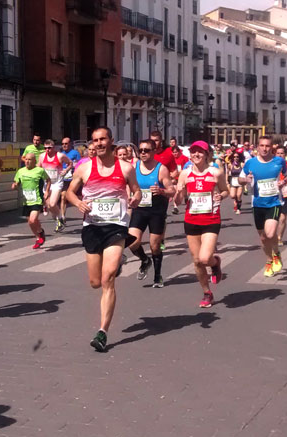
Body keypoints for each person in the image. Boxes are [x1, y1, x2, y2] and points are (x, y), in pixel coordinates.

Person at [65, 127, 141, 352]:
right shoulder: (84, 169)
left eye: (103, 139)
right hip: (92, 227)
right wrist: (77, 202)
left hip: (116, 226)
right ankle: (116, 263)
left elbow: (136, 191)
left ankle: (102, 332)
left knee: (108, 279)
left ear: (111, 141)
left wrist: (135, 199)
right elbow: (69, 192)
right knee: (95, 282)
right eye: (95, 140)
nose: (99, 143)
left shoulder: (125, 168)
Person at [174, 141, 229, 308]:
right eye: (193, 152)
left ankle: (215, 263)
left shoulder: (215, 173)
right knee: (197, 261)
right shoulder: (185, 173)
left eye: (200, 152)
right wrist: (179, 191)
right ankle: (207, 292)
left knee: (205, 258)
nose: (196, 155)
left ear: (206, 154)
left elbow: (225, 190)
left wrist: (222, 196)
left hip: (211, 219)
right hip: (191, 220)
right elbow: (177, 201)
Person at [238, 136, 287, 277]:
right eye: (262, 145)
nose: (265, 148)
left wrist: (283, 181)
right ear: (257, 147)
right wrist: (245, 180)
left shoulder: (279, 161)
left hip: (274, 202)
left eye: (267, 146)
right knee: (263, 238)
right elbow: (240, 179)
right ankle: (269, 260)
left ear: (271, 147)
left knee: (271, 233)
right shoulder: (250, 163)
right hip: (257, 204)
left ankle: (276, 254)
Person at [128, 139, 175, 288]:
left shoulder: (161, 169)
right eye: (140, 150)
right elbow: (127, 186)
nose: (143, 153)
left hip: (156, 212)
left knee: (155, 246)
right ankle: (144, 260)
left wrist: (162, 191)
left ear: (154, 152)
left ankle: (157, 276)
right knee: (132, 241)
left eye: (146, 150)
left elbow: (172, 190)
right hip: (139, 209)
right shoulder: (134, 168)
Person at [13, 153, 51, 249]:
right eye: (26, 159)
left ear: (34, 161)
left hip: (37, 199)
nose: (27, 161)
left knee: (32, 220)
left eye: (30, 159)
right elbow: (17, 182)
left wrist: (47, 191)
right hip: (26, 201)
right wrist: (15, 185)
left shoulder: (40, 170)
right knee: (30, 222)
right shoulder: (20, 171)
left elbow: (48, 180)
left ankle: (40, 232)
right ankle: (39, 237)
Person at [38, 139, 73, 232]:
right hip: (47, 183)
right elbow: (38, 167)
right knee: (50, 206)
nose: (47, 150)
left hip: (57, 182)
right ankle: (58, 219)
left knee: (53, 203)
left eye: (49, 148)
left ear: (53, 148)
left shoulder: (60, 155)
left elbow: (70, 163)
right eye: (45, 148)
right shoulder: (42, 156)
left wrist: (65, 170)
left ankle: (60, 217)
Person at [59, 137, 81, 224]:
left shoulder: (75, 153)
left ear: (70, 144)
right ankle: (63, 217)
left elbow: (79, 164)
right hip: (64, 178)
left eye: (66, 143)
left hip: (73, 178)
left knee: (78, 198)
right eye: (63, 144)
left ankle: (86, 215)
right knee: (63, 196)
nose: (64, 145)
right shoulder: (61, 154)